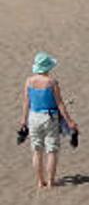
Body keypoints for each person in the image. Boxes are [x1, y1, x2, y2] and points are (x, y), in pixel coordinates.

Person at [18, 52, 78, 189]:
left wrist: (23, 120)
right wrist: (69, 121)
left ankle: (40, 181)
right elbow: (60, 104)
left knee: (37, 149)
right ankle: (51, 181)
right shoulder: (52, 82)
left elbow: (26, 102)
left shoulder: (29, 81)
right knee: (52, 149)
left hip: (34, 117)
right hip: (49, 117)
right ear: (48, 67)